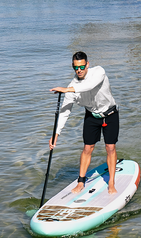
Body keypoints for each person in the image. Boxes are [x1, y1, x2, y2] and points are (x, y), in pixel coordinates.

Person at [49, 51, 119, 194]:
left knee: (110, 147)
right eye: (76, 68)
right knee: (87, 148)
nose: (79, 70)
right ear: (72, 67)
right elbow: (64, 112)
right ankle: (81, 182)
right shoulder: (72, 86)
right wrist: (56, 134)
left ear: (87, 64)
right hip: (92, 116)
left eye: (81, 67)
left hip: (110, 114)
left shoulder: (99, 72)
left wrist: (67, 89)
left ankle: (111, 182)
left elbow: (89, 86)